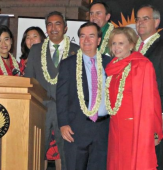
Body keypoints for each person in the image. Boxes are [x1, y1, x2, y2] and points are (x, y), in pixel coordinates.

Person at [24, 11, 79, 170]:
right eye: (49, 24)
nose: (53, 28)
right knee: (36, 152)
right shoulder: (36, 50)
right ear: (46, 28)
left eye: (58, 23)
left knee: (66, 154)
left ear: (65, 27)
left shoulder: (76, 50)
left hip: (67, 113)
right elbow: (30, 82)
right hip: (41, 110)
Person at [105, 27, 163, 169]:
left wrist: (154, 131)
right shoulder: (112, 67)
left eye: (121, 43)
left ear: (131, 44)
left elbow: (152, 100)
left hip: (134, 127)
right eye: (114, 43)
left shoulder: (142, 65)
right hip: (115, 127)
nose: (116, 48)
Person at [56, 22, 111, 170]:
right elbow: (62, 96)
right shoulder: (68, 64)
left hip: (103, 129)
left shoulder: (110, 63)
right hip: (76, 128)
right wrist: (63, 123)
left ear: (99, 40)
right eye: (82, 36)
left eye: (91, 36)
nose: (86, 40)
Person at [135, 5, 163, 170]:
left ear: (156, 21)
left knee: (152, 162)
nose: (140, 23)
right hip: (134, 116)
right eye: (138, 19)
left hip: (153, 117)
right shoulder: (133, 48)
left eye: (145, 19)